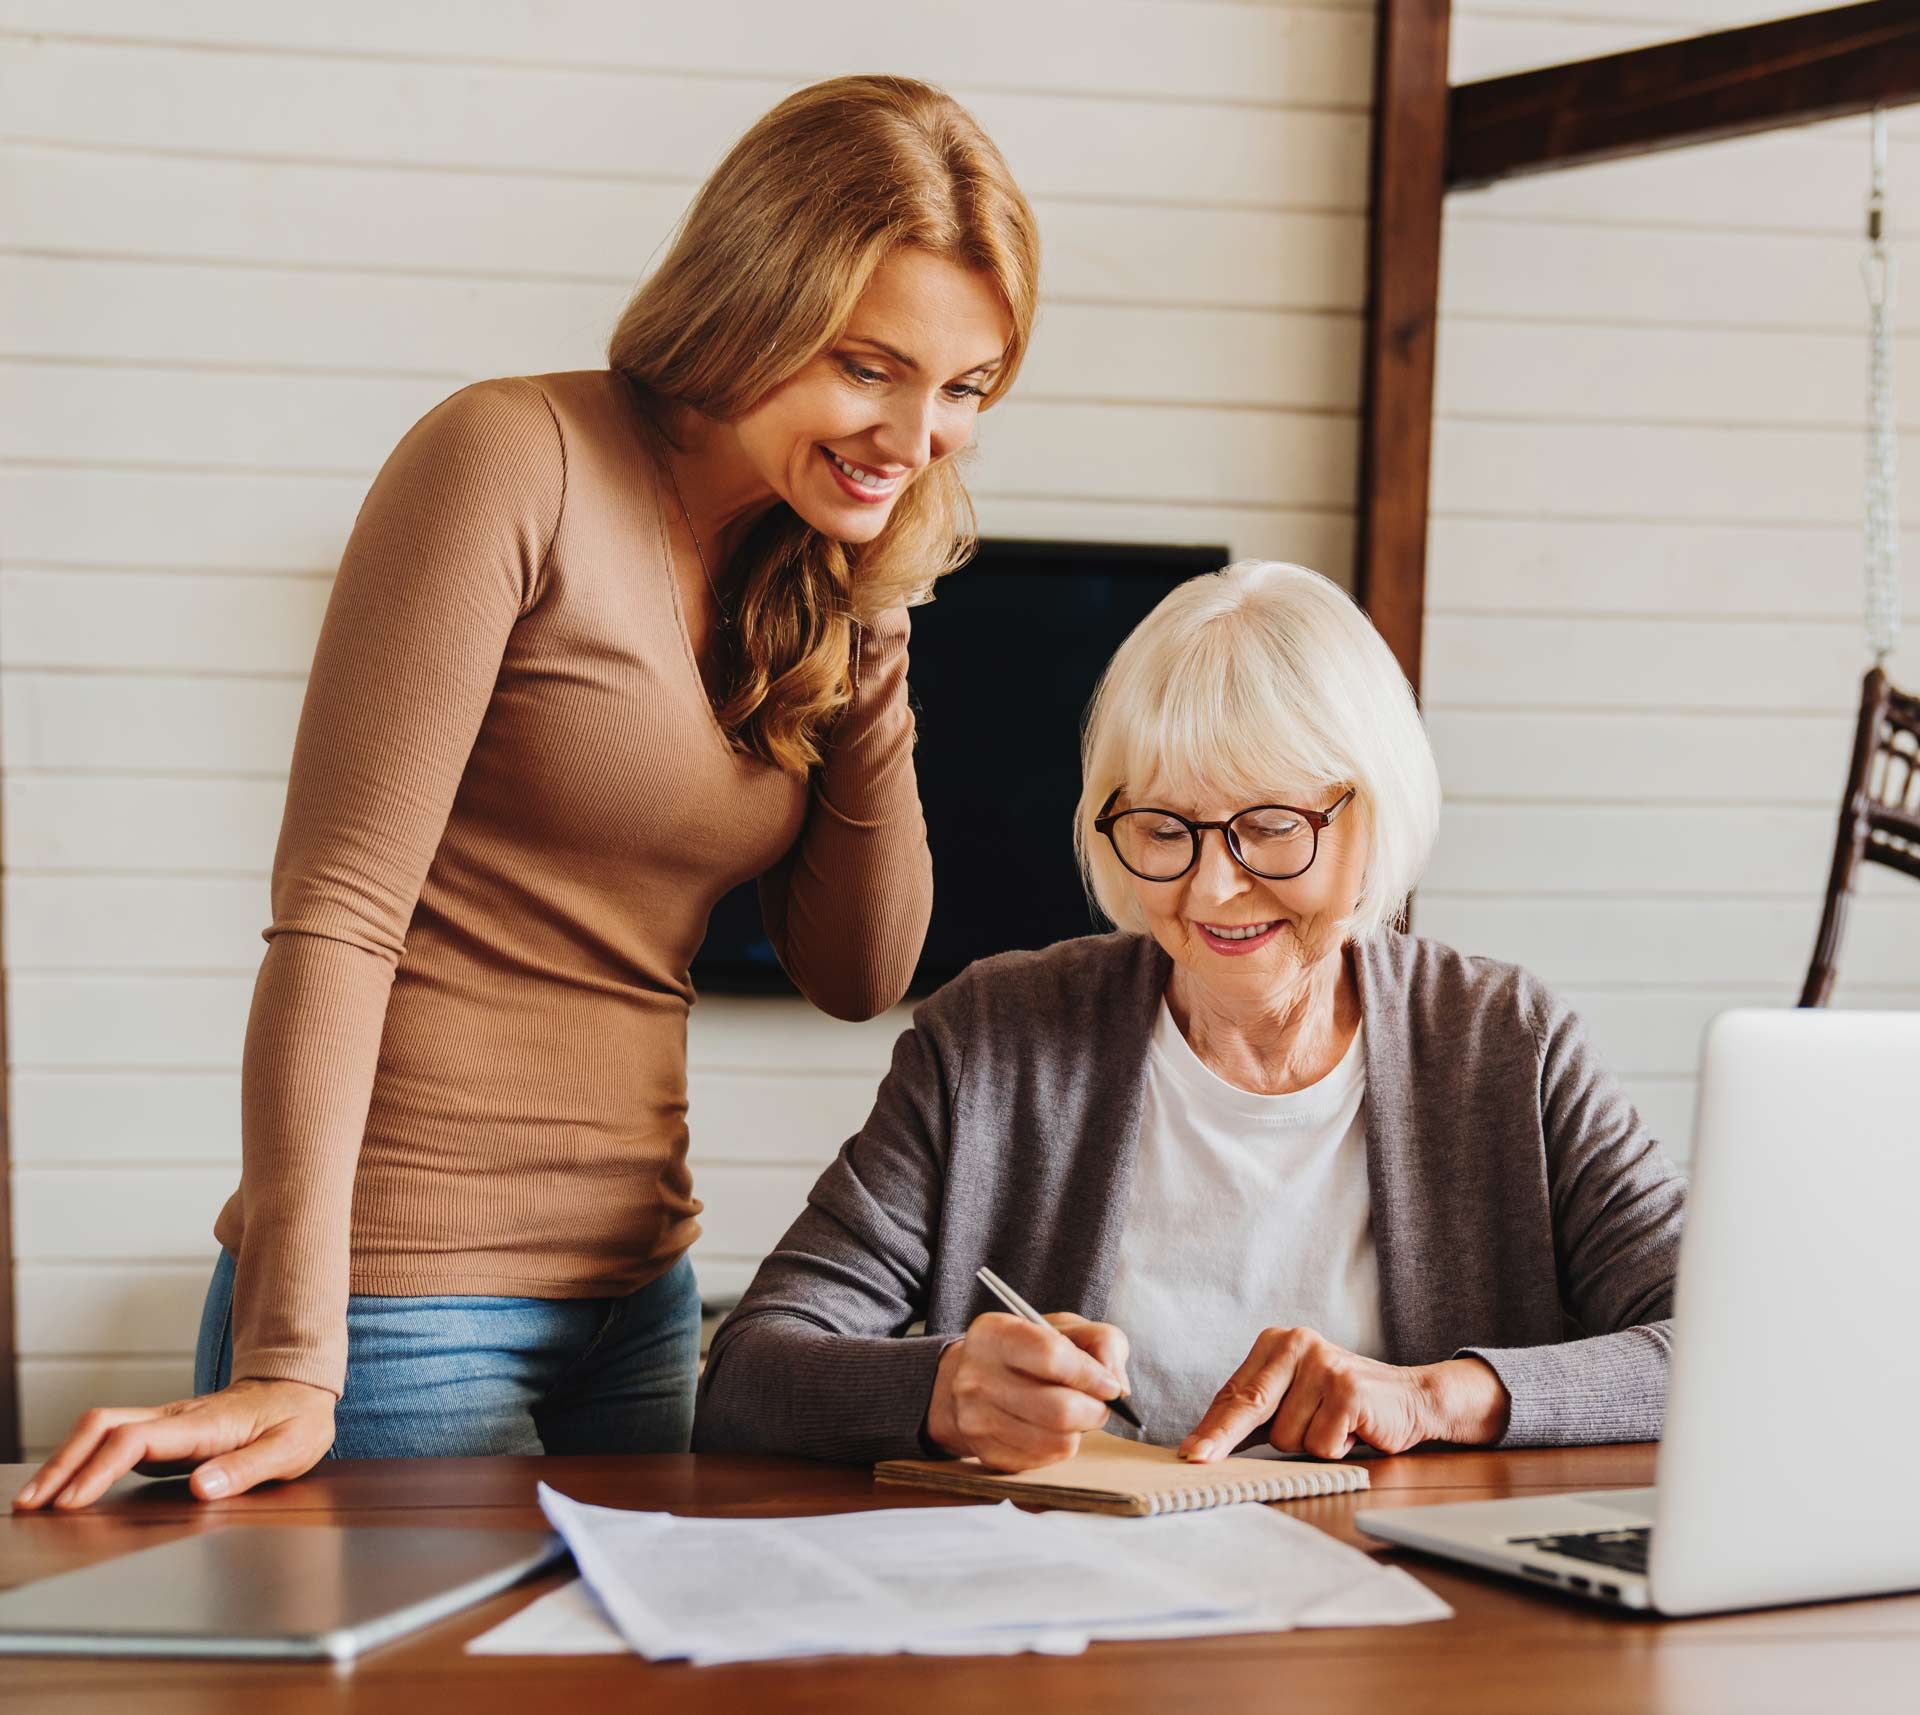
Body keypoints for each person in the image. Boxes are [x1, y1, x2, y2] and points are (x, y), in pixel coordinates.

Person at [16, 76, 1040, 1512]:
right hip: (401, 1301)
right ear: (754, 303)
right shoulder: (512, 460)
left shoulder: (808, 568)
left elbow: (861, 969)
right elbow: (337, 916)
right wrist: (293, 1353)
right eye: (869, 367)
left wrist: (875, 622)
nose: (916, 432)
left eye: (965, 388)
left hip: (638, 1290)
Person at [694, 561, 1686, 1471]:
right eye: (1164, 828)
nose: (1213, 888)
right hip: (1073, 1606)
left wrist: (1439, 1394)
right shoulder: (993, 1039)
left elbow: (1717, 1339)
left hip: (1413, 1619)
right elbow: (747, 1376)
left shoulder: (1503, 1041)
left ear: (1373, 815)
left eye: (1269, 828)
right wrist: (944, 1389)